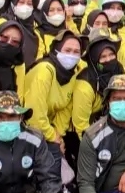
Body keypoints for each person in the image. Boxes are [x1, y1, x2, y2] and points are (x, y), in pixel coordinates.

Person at [23, 30, 83, 167]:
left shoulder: (73, 74)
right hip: (29, 128)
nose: (71, 55)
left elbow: (65, 109)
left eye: (76, 52)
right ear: (56, 50)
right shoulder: (46, 70)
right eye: (67, 50)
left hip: (50, 129)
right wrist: (53, 137)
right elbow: (35, 114)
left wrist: (59, 135)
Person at [71, 29, 121, 143]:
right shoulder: (85, 86)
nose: (108, 59)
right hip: (83, 133)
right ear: (94, 60)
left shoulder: (119, 70)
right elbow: (81, 126)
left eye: (111, 54)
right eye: (103, 57)